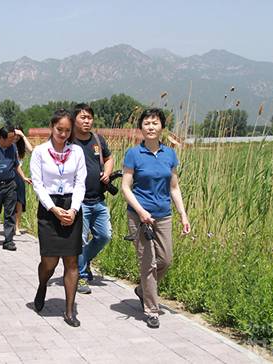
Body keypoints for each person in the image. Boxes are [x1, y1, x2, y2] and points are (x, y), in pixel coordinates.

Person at [121, 108, 190, 329]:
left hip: (163, 215)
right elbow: (125, 187)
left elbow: (174, 187)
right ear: (141, 128)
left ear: (162, 127)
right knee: (148, 263)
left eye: (155, 123)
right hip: (140, 216)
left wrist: (183, 214)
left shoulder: (170, 154)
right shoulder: (133, 154)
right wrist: (141, 211)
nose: (151, 127)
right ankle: (151, 309)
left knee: (165, 260)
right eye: (147, 124)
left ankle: (142, 290)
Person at [30, 109, 86, 327]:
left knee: (72, 261)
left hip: (71, 205)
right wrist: (53, 209)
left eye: (67, 130)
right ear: (51, 128)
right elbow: (38, 184)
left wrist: (73, 210)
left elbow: (80, 182)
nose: (63, 134)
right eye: (59, 129)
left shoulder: (77, 152)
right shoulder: (40, 152)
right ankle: (43, 283)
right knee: (49, 261)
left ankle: (69, 310)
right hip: (49, 207)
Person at [72, 103, 114, 295]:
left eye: (89, 117)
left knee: (104, 236)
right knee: (79, 240)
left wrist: (107, 171)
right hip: (79, 201)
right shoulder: (69, 141)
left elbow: (109, 158)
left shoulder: (98, 140)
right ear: (75, 119)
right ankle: (80, 275)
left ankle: (84, 260)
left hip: (98, 199)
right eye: (83, 117)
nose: (87, 121)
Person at [0, 126, 30, 251]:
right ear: (1, 138)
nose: (13, 141)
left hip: (10, 184)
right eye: (10, 138)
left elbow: (16, 165)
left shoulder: (12, 147)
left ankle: (8, 240)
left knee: (10, 213)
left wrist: (23, 178)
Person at [13, 127, 33, 235]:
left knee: (19, 201)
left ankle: (17, 226)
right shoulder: (7, 143)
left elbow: (31, 151)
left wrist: (23, 136)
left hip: (20, 175)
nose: (16, 136)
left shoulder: (21, 146)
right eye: (14, 134)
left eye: (18, 134)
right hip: (9, 174)